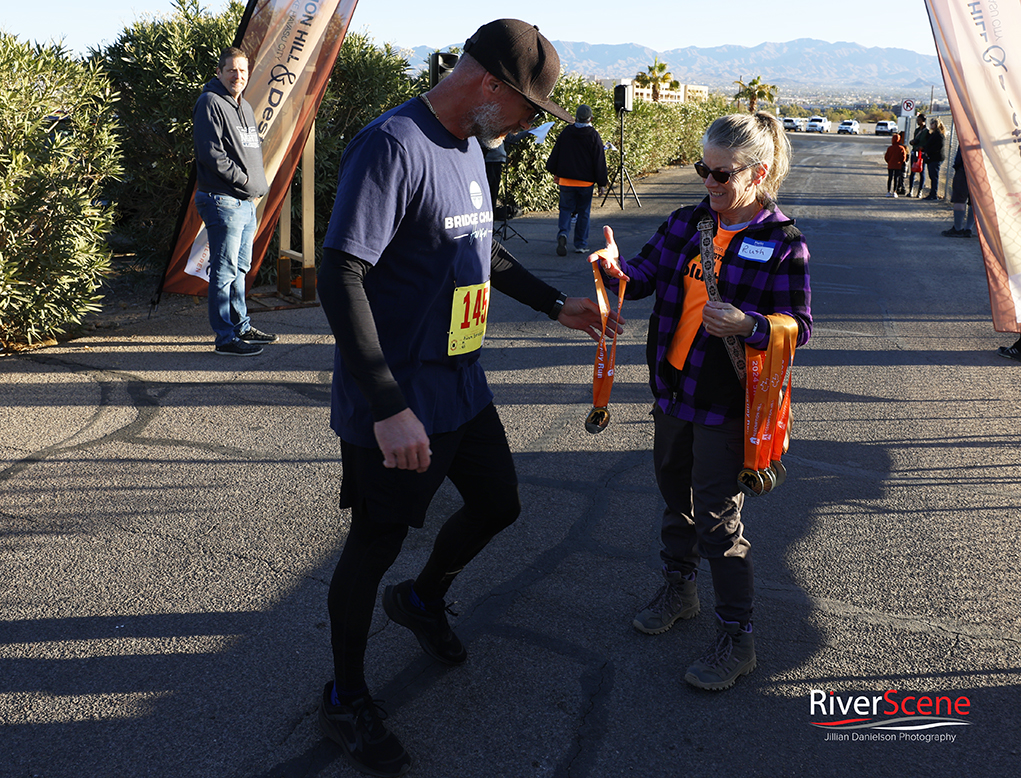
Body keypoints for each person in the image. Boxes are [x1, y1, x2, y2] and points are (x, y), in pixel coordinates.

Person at [315, 19, 617, 777]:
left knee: (498, 504)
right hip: (398, 395)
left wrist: (554, 304)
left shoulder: (472, 149)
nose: (526, 125)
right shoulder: (393, 145)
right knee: (374, 543)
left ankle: (421, 600)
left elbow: (481, 244)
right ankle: (345, 695)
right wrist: (386, 406)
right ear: (491, 86)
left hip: (459, 382)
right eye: (526, 109)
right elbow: (340, 273)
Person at [591, 112, 812, 691]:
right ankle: (680, 586)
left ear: (757, 173)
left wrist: (749, 324)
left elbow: (801, 326)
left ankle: (737, 637)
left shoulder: (782, 242)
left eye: (721, 174)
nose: (708, 184)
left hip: (725, 402)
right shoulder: (687, 222)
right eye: (702, 170)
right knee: (673, 493)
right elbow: (643, 274)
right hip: (672, 389)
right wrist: (615, 270)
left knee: (717, 518)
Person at [192, 47, 277, 356]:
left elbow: (249, 151)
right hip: (222, 199)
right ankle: (225, 338)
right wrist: (245, 182)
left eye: (242, 71)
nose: (237, 76)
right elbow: (211, 155)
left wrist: (255, 185)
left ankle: (242, 326)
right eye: (231, 70)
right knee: (224, 271)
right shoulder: (210, 103)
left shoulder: (244, 106)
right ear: (219, 72)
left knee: (240, 268)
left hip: (244, 202)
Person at [545, 104, 608, 255]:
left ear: (575, 117)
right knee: (583, 212)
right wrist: (601, 183)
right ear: (591, 118)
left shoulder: (567, 132)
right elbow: (599, 160)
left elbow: (556, 154)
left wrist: (556, 172)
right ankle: (581, 244)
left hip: (566, 180)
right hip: (586, 182)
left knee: (565, 209)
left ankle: (563, 234)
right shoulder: (593, 135)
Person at [942, 147, 975, 238]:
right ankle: (968, 228)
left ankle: (958, 229)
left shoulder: (966, 137)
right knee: (974, 201)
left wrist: (957, 166)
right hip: (979, 172)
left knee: (959, 200)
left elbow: (959, 159)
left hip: (964, 169)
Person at [923, 118, 946, 200]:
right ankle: (932, 193)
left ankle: (934, 194)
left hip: (936, 158)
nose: (931, 125)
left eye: (932, 123)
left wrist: (929, 152)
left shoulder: (939, 135)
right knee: (932, 176)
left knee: (934, 176)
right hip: (931, 158)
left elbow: (938, 147)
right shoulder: (932, 134)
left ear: (936, 125)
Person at [907, 113, 929, 198]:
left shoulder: (926, 131)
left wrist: (923, 147)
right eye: (917, 120)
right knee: (913, 171)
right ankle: (911, 190)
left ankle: (920, 191)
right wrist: (913, 142)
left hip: (922, 153)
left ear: (923, 121)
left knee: (921, 172)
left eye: (919, 120)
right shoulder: (917, 131)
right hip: (915, 152)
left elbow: (927, 143)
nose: (917, 121)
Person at [884, 133, 909, 198]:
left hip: (890, 165)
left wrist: (889, 162)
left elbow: (886, 157)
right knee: (896, 178)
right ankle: (895, 191)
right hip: (898, 165)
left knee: (890, 178)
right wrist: (900, 162)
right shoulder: (901, 148)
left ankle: (888, 191)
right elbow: (904, 157)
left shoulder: (890, 148)